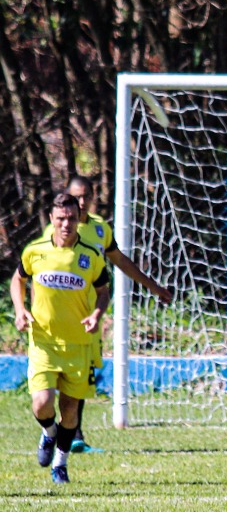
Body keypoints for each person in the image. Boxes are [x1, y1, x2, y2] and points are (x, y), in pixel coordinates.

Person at [55, 175, 174, 452]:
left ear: (93, 197)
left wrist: (154, 287)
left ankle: (74, 436)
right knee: (58, 378)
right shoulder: (57, 231)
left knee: (82, 377)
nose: (81, 202)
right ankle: (57, 431)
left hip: (89, 316)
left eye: (86, 196)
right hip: (61, 315)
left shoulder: (99, 229)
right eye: (76, 197)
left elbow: (120, 261)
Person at [10, 193, 111, 484]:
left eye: (71, 218)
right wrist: (20, 310)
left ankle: (60, 464)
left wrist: (96, 314)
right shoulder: (35, 251)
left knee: (70, 411)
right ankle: (48, 432)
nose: (67, 224)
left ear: (79, 219)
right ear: (52, 220)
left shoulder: (90, 256)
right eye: (61, 218)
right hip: (43, 342)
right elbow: (18, 279)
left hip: (79, 343)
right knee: (41, 404)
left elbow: (104, 290)